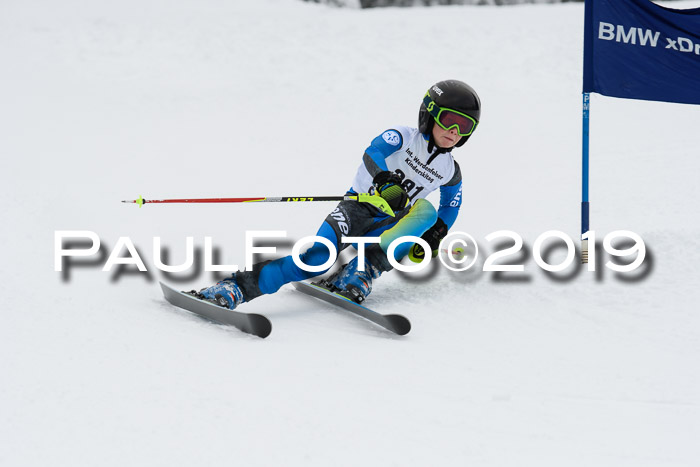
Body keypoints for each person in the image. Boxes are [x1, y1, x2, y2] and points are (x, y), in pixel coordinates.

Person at [197, 79, 481, 310]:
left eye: (465, 126)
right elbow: (373, 152)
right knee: (314, 260)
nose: (455, 132)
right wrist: (383, 179)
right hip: (356, 209)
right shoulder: (403, 137)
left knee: (426, 214)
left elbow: (451, 204)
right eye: (449, 120)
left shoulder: (450, 170)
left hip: (390, 224)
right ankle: (235, 286)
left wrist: (438, 231)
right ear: (429, 114)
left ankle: (362, 270)